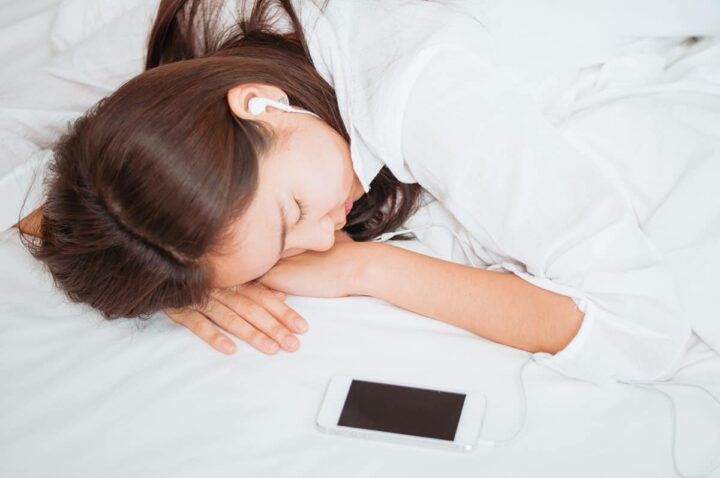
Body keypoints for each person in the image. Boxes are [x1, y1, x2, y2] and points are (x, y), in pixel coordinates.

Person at [10, 0, 716, 386]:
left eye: (289, 214)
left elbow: (639, 328)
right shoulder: (187, 30)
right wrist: (183, 272)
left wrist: (364, 269)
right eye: (281, 251)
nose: (319, 241)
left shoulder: (431, 95)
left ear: (260, 104)